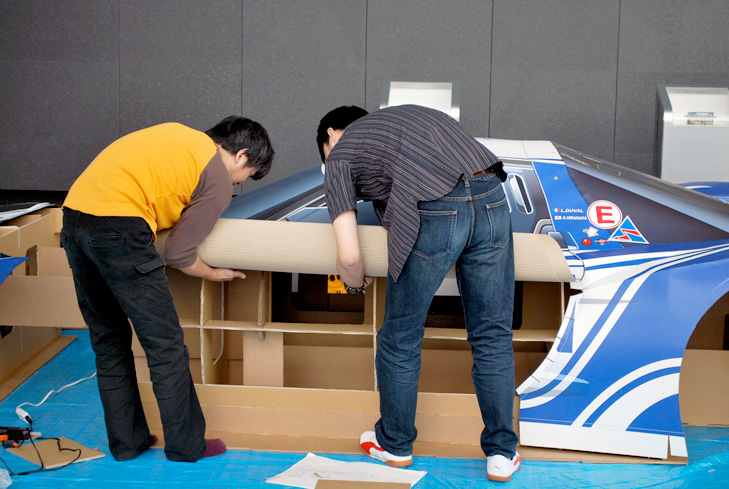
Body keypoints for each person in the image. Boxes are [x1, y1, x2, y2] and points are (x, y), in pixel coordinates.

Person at [316, 105, 520, 482]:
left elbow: (349, 256)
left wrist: (355, 282)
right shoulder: (402, 123)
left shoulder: (339, 157)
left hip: (436, 209)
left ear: (330, 134)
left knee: (400, 338)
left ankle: (395, 445)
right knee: (492, 335)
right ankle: (502, 454)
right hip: (491, 192)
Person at [61, 117, 274, 462]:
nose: (238, 183)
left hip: (73, 221)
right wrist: (212, 273)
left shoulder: (178, 136)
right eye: (247, 175)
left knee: (108, 339)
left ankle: (127, 443)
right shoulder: (217, 176)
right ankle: (187, 446)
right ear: (240, 155)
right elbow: (178, 253)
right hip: (120, 230)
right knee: (165, 345)